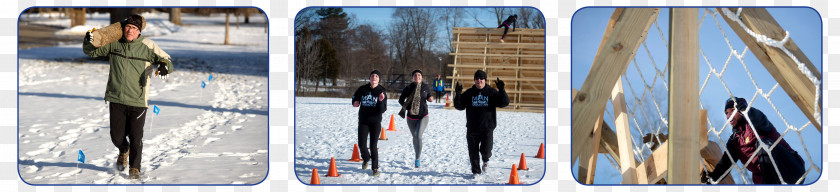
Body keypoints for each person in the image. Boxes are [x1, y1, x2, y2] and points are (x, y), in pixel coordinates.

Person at [83, 14, 174, 179]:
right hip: (116, 97)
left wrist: (164, 66)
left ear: (139, 31)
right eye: (128, 27)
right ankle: (123, 150)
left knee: (136, 136)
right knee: (116, 136)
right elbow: (91, 52)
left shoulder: (148, 45)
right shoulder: (115, 44)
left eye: (134, 28)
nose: (130, 30)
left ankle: (134, 167)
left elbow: (166, 59)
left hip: (138, 99)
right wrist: (88, 39)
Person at [703, 97, 806, 184]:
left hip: (790, 169)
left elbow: (759, 119)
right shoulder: (735, 141)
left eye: (732, 110)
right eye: (726, 113)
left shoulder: (755, 123)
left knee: (762, 143)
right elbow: (725, 162)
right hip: (767, 179)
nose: (729, 116)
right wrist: (712, 177)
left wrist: (747, 110)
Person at [453, 70, 509, 179]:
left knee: (486, 150)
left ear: (485, 80)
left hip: (487, 128)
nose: (479, 80)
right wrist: (458, 94)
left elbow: (504, 103)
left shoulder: (491, 92)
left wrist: (502, 90)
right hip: (472, 128)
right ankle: (476, 171)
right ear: (474, 80)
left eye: (481, 78)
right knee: (473, 151)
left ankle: (486, 160)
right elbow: (459, 106)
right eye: (477, 78)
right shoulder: (469, 93)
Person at [352, 70, 388, 176]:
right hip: (363, 120)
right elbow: (355, 98)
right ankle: (366, 158)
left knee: (373, 146)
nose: (374, 77)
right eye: (372, 76)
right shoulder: (362, 89)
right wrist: (355, 103)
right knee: (361, 144)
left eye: (377, 76)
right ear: (370, 78)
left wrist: (381, 101)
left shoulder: (381, 91)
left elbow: (383, 109)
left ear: (379, 79)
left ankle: (375, 168)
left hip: (375, 122)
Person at [398, 70, 434, 168]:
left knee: (418, 135)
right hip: (411, 117)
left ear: (421, 77)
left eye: (419, 75)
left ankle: (417, 158)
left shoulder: (425, 87)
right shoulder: (408, 88)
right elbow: (400, 100)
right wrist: (408, 108)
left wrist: (431, 98)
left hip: (423, 116)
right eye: (415, 75)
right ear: (412, 77)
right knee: (414, 137)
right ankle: (416, 154)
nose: (417, 76)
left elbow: (429, 96)